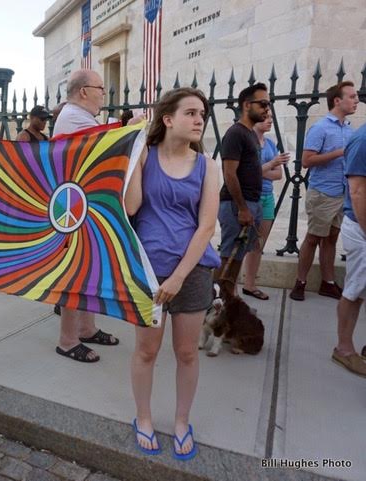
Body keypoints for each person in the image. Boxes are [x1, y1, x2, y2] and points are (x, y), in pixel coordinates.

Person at [125, 88, 220, 460]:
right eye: (191, 113)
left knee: (186, 352)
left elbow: (207, 226)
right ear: (168, 119)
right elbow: (132, 206)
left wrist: (179, 276)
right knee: (146, 351)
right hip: (148, 271)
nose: (199, 119)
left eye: (202, 114)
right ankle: (143, 418)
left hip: (191, 273)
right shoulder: (146, 156)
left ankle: (182, 422)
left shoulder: (206, 165)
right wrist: (133, 154)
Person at [52, 69, 119, 362]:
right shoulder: (73, 117)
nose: (104, 93)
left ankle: (86, 328)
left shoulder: (78, 116)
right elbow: (107, 143)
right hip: (74, 206)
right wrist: (132, 128)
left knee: (89, 271)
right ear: (83, 91)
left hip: (83, 204)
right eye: (100, 88)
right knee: (75, 274)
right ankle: (68, 340)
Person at [289, 81, 359, 301]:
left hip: (342, 193)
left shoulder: (350, 129)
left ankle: (327, 283)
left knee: (331, 238)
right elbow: (307, 161)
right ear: (337, 101)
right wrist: (339, 152)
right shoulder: (320, 128)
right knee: (313, 238)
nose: (356, 100)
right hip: (323, 193)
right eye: (352, 96)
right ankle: (300, 282)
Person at [213, 83, 270, 297]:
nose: (267, 108)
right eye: (263, 103)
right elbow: (229, 174)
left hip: (250, 203)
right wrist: (243, 208)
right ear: (247, 105)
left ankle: (229, 299)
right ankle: (217, 301)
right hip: (236, 205)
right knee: (229, 255)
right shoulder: (235, 133)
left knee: (238, 256)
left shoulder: (251, 134)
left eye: (268, 104)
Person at [242, 113, 290, 299]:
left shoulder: (270, 144)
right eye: (266, 117)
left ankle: (250, 284)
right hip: (249, 198)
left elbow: (279, 175)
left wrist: (262, 170)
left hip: (267, 197)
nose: (270, 120)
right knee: (241, 243)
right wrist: (271, 164)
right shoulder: (247, 141)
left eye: (271, 117)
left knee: (258, 244)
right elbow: (246, 173)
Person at [332, 123, 366, 377]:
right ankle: (344, 349)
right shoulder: (362, 139)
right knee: (354, 289)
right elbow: (357, 191)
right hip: (361, 229)